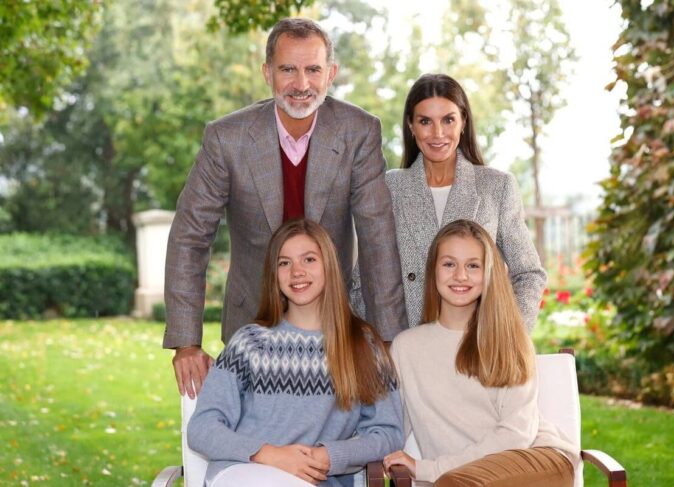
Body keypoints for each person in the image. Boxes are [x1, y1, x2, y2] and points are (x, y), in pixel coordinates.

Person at [164, 17, 407, 398]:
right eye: (287, 70)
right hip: (251, 323)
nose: (301, 84)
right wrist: (186, 342)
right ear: (267, 73)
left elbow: (378, 236)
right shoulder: (226, 138)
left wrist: (390, 339)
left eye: (313, 69)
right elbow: (190, 236)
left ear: (331, 74)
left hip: (333, 324)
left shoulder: (359, 131)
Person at [188, 218, 404, 487]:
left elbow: (388, 433)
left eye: (309, 260)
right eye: (284, 263)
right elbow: (202, 429)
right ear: (273, 274)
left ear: (329, 266)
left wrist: (330, 456)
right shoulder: (249, 342)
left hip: (318, 478)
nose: (296, 271)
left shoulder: (363, 345)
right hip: (244, 472)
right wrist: (269, 455)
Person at [383, 220, 578, 486]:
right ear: (433, 271)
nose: (460, 275)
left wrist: (431, 469)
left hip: (537, 459)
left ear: (488, 273)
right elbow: (391, 427)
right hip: (460, 478)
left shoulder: (509, 338)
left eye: (473, 265)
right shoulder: (407, 347)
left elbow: (516, 435)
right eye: (449, 264)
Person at [354, 73, 546, 330]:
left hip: (478, 349)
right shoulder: (389, 188)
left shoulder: (496, 186)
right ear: (411, 126)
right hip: (406, 350)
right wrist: (380, 346)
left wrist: (507, 338)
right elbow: (363, 280)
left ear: (463, 121)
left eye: (448, 120)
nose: (438, 133)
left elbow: (528, 274)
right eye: (425, 121)